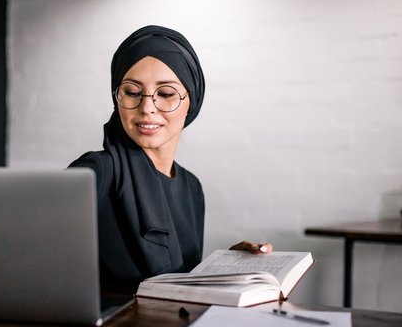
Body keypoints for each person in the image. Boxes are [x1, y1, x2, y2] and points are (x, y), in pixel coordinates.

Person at [69, 25, 272, 293]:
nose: (147, 107)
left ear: (192, 101)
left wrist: (226, 266)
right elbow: (33, 256)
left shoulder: (192, 187)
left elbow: (177, 283)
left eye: (165, 94)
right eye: (131, 92)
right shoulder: (97, 171)